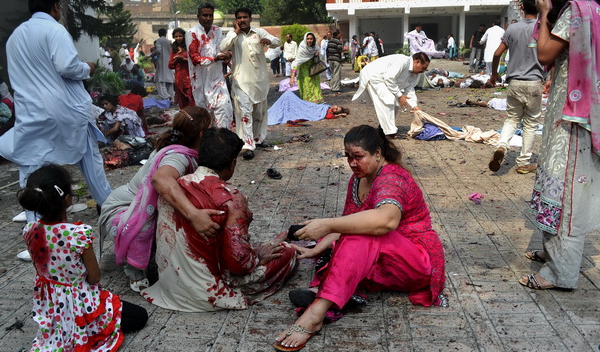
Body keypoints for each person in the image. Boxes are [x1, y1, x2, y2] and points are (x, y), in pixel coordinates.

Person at [273, 125, 446, 351]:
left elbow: (386, 221)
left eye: (358, 156)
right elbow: (349, 223)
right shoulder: (357, 179)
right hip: (386, 261)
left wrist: (327, 224)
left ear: (377, 153)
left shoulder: (393, 177)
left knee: (360, 238)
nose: (352, 163)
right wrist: (318, 247)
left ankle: (316, 313)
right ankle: (337, 295)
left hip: (417, 263)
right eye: (348, 157)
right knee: (337, 248)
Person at [142, 128, 297, 311]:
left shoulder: (173, 188)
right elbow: (240, 264)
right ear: (232, 163)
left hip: (170, 288)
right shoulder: (232, 198)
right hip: (207, 294)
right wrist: (257, 255)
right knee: (287, 251)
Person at [0, 0, 112, 228]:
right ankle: (112, 209)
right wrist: (88, 67)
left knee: (30, 166)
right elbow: (67, 67)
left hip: (31, 111)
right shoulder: (54, 30)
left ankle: (34, 227)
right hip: (64, 110)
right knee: (90, 161)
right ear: (55, 6)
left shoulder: (15, 37)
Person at [519, 0, 600, 291]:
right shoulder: (594, 8)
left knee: (563, 189)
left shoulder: (575, 12)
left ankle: (560, 273)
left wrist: (544, 12)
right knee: (567, 186)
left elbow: (544, 52)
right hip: (584, 110)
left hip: (571, 114)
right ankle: (557, 255)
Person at [19, 164, 148, 351]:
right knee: (139, 316)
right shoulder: (78, 235)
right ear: (68, 199)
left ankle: (72, 331)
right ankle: (88, 331)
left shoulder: (29, 230)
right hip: (82, 301)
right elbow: (95, 277)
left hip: (52, 304)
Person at [99, 107, 222, 292]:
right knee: (184, 216)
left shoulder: (182, 148)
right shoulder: (179, 156)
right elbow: (160, 179)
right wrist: (194, 214)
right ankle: (134, 270)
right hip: (125, 209)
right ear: (202, 133)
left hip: (131, 202)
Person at [488, 0, 544, 174]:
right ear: (540, 8)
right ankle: (523, 163)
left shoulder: (511, 29)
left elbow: (497, 53)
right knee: (530, 124)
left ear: (522, 7)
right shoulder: (543, 27)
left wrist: (494, 74)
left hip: (514, 82)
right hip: (535, 81)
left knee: (512, 119)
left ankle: (502, 146)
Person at [220, 7, 281, 160]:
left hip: (259, 81)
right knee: (245, 113)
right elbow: (223, 47)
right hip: (241, 82)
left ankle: (258, 139)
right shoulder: (232, 35)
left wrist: (269, 41)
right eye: (239, 18)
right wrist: (235, 32)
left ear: (250, 19)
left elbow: (277, 42)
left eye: (245, 17)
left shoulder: (258, 33)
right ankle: (248, 145)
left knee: (259, 112)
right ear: (236, 20)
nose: (242, 20)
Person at [351, 53, 430, 137]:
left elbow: (410, 89)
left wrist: (414, 106)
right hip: (374, 75)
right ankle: (389, 132)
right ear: (417, 62)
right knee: (388, 100)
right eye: (423, 68)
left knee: (395, 103)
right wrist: (399, 95)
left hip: (384, 80)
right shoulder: (402, 61)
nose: (423, 71)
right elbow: (389, 78)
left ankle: (385, 128)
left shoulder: (414, 74)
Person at [188, 3, 234, 129]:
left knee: (225, 108)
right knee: (205, 117)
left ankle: (223, 142)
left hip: (218, 79)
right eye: (205, 15)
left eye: (210, 15)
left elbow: (219, 50)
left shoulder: (217, 31)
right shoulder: (192, 33)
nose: (208, 18)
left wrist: (226, 54)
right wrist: (214, 59)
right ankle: (207, 144)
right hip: (200, 82)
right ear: (198, 16)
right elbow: (195, 59)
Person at [289, 32, 324, 103]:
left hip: (314, 72)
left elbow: (318, 61)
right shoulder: (302, 48)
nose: (309, 40)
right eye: (308, 39)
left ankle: (317, 107)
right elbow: (297, 63)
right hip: (304, 74)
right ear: (305, 39)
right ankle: (307, 107)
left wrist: (316, 55)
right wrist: (292, 77)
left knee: (315, 88)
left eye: (311, 39)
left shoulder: (316, 47)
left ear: (314, 40)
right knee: (307, 90)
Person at [169, 27, 194, 109]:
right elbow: (170, 65)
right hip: (179, 79)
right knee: (181, 101)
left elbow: (194, 61)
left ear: (184, 36)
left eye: (180, 36)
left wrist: (183, 59)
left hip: (189, 77)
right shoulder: (174, 49)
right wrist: (176, 60)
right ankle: (185, 119)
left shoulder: (189, 47)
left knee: (191, 99)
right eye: (176, 36)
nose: (178, 38)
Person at [154, 28, 175, 101]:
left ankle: (165, 96)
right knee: (169, 81)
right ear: (165, 33)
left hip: (162, 62)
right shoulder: (169, 42)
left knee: (160, 80)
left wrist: (153, 54)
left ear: (159, 34)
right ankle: (171, 98)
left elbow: (158, 51)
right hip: (169, 62)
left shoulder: (159, 41)